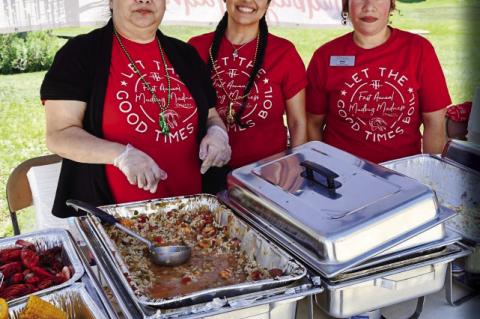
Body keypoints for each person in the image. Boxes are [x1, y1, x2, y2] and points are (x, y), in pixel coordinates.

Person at [41, 0, 231, 218]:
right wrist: (121, 155)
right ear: (112, 2)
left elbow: (211, 117)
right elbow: (59, 135)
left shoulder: (185, 55)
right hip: (119, 221)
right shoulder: (80, 53)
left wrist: (218, 133)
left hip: (193, 213)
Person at [306, 0, 451, 163]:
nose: (369, 6)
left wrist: (430, 175)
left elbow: (434, 123)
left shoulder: (419, 50)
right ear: (346, 5)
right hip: (341, 173)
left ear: (391, 4)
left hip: (402, 174)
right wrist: (323, 168)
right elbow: (313, 123)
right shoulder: (325, 56)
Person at [188, 0, 307, 186]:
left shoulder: (284, 52)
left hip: (268, 173)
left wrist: (296, 168)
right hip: (207, 168)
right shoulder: (196, 48)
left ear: (267, 4)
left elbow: (297, 122)